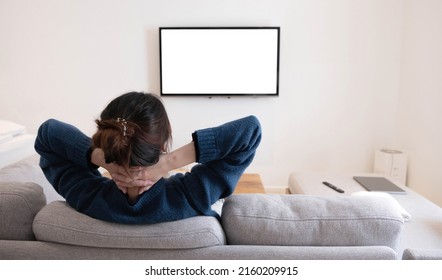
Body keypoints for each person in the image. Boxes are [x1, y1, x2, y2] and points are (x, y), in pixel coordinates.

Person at [35, 92, 261, 224]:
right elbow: (250, 130)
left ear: (106, 140)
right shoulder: (191, 199)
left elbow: (48, 133)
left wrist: (107, 161)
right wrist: (168, 162)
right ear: (162, 145)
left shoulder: (87, 198)